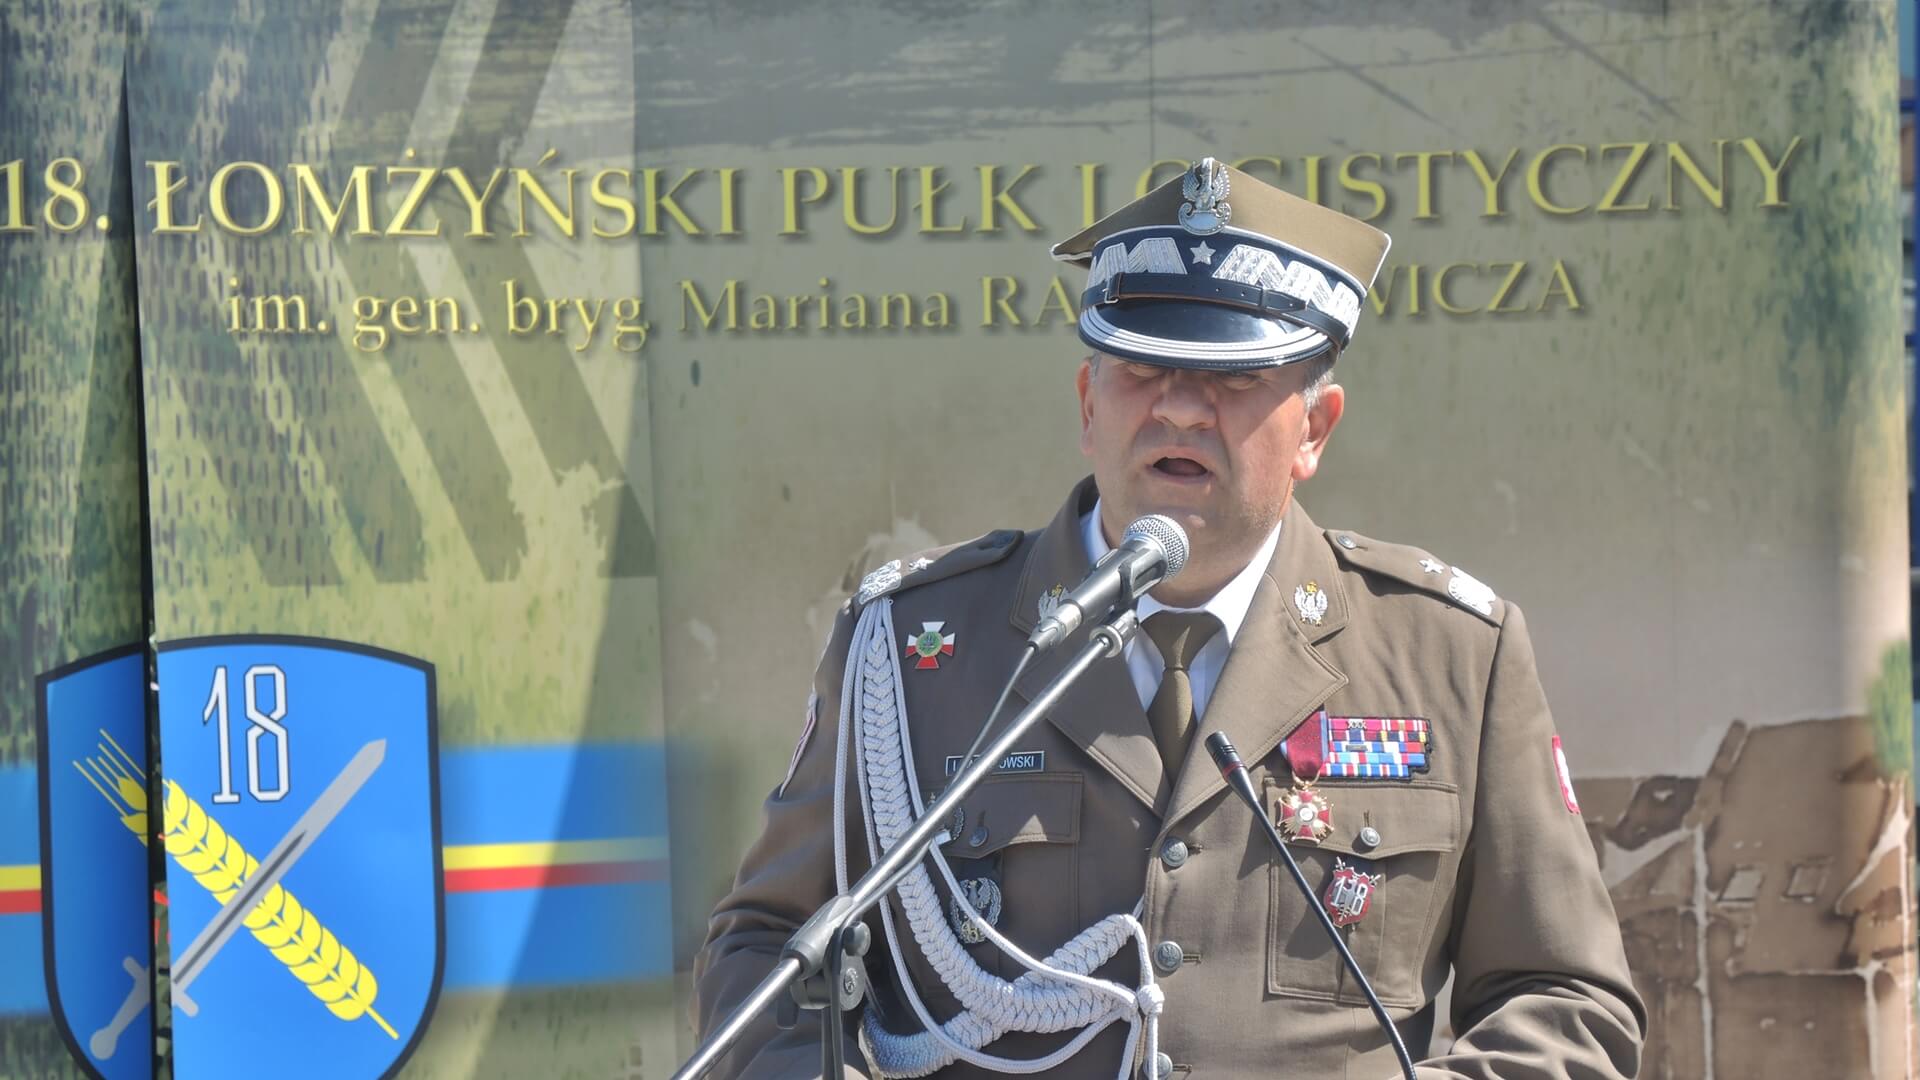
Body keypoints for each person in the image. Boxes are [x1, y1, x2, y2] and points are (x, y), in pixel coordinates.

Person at [692, 158, 1645, 1079]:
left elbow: (1566, 1001)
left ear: (1315, 428)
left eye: (1235, 377)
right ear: (1088, 406)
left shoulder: (1451, 657)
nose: (1181, 409)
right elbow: (766, 946)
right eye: (1143, 369)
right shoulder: (910, 653)